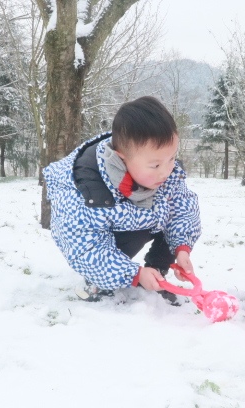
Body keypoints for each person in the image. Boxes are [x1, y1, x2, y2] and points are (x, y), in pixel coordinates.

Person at [43, 96, 201, 304]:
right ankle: (96, 281)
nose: (166, 171)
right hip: (102, 237)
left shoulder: (165, 174)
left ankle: (156, 273)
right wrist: (132, 273)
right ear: (122, 158)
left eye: (171, 158)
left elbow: (183, 209)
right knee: (121, 241)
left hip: (139, 220)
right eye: (155, 165)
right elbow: (86, 248)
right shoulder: (87, 191)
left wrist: (181, 248)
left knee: (169, 214)